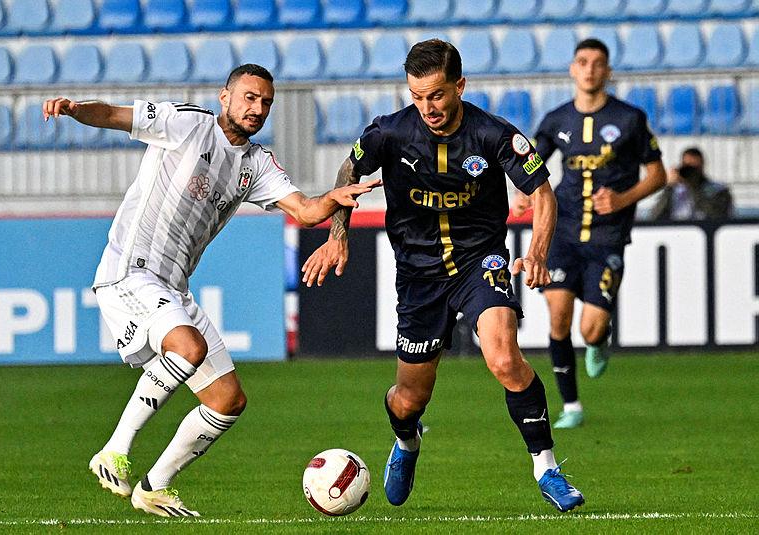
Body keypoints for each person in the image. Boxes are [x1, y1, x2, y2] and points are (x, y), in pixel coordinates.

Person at [43, 64, 379, 518]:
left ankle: (154, 486)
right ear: (225, 97)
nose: (257, 108)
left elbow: (304, 210)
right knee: (189, 347)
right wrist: (74, 109)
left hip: (172, 285)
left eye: (265, 102)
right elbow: (114, 115)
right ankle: (114, 450)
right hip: (131, 270)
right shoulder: (185, 123)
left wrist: (333, 199)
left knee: (227, 400)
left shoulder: (255, 164)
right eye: (249, 98)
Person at [302, 39, 584, 512]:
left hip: (481, 263)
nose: (427, 107)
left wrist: (536, 252)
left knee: (503, 358)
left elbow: (542, 192)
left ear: (459, 86)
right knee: (409, 398)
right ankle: (407, 442)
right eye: (417, 96)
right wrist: (338, 233)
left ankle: (547, 469)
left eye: (436, 94)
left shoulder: (493, 134)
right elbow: (350, 168)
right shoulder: (391, 132)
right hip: (418, 276)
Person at [514, 39, 667, 429]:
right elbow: (531, 165)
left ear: (608, 71)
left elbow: (658, 175)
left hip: (607, 238)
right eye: (583, 62)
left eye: (598, 63)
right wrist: (523, 194)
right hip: (563, 232)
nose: (590, 69)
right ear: (573, 69)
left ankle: (599, 340)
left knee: (590, 327)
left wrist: (622, 199)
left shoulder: (630, 119)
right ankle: (572, 407)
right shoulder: (556, 119)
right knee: (558, 317)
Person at [648, 147, 733, 221]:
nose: (691, 172)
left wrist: (693, 187)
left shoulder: (717, 190)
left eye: (694, 168)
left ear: (702, 165)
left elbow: (717, 215)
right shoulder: (674, 190)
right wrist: (669, 187)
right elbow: (655, 216)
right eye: (687, 166)